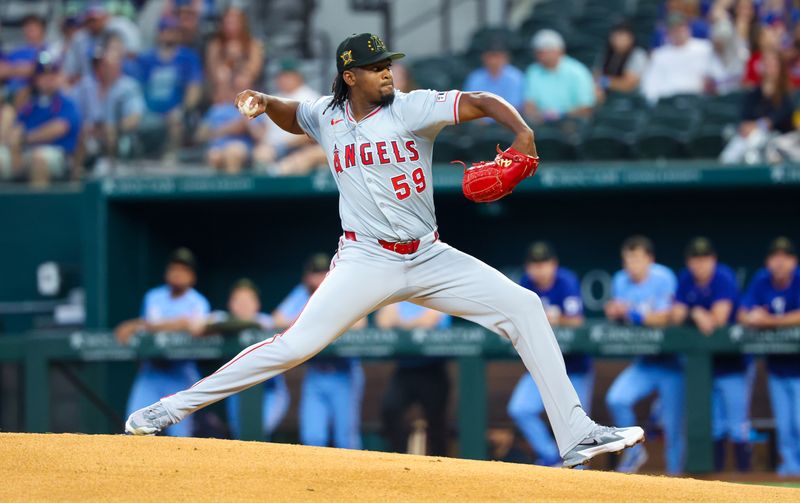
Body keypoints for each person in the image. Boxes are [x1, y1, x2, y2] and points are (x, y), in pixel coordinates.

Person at [126, 32, 644, 470]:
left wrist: (523, 133)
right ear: (350, 76)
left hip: (429, 255)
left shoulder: (414, 107)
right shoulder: (327, 114)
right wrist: (264, 104)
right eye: (376, 68)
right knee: (294, 345)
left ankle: (575, 436)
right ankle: (168, 410)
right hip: (365, 260)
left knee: (524, 307)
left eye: (388, 65)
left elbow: (482, 100)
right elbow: (294, 114)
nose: (387, 74)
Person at [507, 242, 592, 467]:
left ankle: (580, 471)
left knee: (575, 423)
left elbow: (576, 321)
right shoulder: (525, 284)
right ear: (528, 267)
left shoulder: (566, 281)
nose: (540, 269)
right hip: (543, 366)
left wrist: (556, 319)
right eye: (535, 264)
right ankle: (551, 456)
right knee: (520, 408)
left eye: (544, 263)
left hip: (575, 368)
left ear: (553, 264)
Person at [670, 237, 751, 472]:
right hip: (702, 371)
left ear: (713, 260)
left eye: (705, 259)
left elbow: (718, 319)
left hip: (732, 365)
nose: (700, 264)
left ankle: (748, 482)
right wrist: (695, 311)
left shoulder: (723, 277)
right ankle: (715, 486)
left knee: (738, 427)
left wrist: (692, 311)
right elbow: (674, 315)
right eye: (695, 259)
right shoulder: (685, 279)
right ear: (689, 262)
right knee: (714, 427)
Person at [604, 236, 683, 475]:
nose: (632, 265)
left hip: (673, 363)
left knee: (674, 426)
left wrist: (633, 315)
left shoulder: (664, 277)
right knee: (616, 399)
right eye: (628, 259)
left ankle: (676, 477)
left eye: (638, 259)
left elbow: (664, 318)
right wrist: (616, 313)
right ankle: (634, 450)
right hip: (645, 363)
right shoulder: (620, 280)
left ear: (650, 259)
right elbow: (617, 315)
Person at [274, 254, 366, 449]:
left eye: (324, 272)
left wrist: (320, 323)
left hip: (344, 373)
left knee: (346, 440)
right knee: (312, 438)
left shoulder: (342, 291)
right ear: (307, 277)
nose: (320, 278)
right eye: (315, 273)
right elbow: (277, 319)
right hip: (316, 373)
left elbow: (360, 324)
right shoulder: (302, 293)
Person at [115, 248, 210, 437]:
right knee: (132, 430)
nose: (177, 273)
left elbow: (194, 328)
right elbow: (146, 331)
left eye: (183, 270)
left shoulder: (198, 302)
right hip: (151, 373)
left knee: (181, 438)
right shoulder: (153, 297)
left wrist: (144, 325)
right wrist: (174, 323)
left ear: (192, 276)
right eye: (174, 268)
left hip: (181, 374)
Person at [738, 237, 800, 477]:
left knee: (798, 422)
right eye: (775, 256)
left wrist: (769, 321)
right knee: (785, 426)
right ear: (768, 261)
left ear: (793, 261)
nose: (780, 262)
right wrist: (754, 318)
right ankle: (791, 470)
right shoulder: (762, 280)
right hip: (776, 368)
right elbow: (743, 313)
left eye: (785, 256)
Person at [201, 279, 289, 440]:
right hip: (238, 389)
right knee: (240, 435)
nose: (243, 305)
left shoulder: (266, 321)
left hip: (270, 389)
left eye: (248, 300)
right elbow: (199, 325)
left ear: (257, 304)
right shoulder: (221, 318)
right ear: (230, 303)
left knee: (259, 431)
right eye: (239, 300)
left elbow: (274, 325)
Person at [376, 302, 451, 456]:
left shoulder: (435, 294)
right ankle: (398, 458)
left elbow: (429, 322)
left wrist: (400, 325)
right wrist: (413, 326)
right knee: (390, 409)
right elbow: (383, 322)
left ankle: (441, 464)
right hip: (404, 369)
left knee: (436, 421)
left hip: (432, 369)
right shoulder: (400, 296)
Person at [0, 54, 81, 187]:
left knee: (39, 158)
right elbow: (17, 127)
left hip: (60, 154)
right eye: (43, 76)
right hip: (25, 153)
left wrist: (26, 138)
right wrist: (12, 138)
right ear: (36, 79)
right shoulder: (30, 105)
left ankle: (37, 207)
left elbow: (59, 128)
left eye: (52, 75)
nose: (48, 79)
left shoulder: (66, 102)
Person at [70, 35, 145, 171]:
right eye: (96, 64)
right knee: (83, 133)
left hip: (119, 138)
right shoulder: (86, 86)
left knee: (110, 133)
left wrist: (112, 127)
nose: (99, 68)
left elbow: (135, 117)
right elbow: (71, 110)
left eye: (104, 64)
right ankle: (75, 179)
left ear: (117, 66)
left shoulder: (128, 86)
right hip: (88, 137)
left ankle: (112, 171)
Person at [136, 16, 202, 162]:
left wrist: (183, 109)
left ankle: (171, 158)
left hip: (175, 112)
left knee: (175, 121)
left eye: (172, 31)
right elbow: (138, 88)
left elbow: (194, 88)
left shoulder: (187, 58)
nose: (168, 34)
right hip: (148, 111)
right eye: (165, 30)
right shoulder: (147, 59)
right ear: (159, 33)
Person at [252, 59, 326, 175]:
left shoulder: (310, 97)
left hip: (299, 148)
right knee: (260, 154)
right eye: (281, 76)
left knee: (291, 164)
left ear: (298, 77)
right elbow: (266, 131)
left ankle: (276, 175)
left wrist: (284, 146)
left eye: (287, 76)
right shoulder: (272, 98)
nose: (283, 80)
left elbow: (312, 131)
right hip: (273, 148)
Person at [719, 50, 794, 164]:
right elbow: (745, 116)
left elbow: (777, 118)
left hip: (778, 139)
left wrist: (756, 126)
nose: (768, 67)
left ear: (779, 68)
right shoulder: (753, 94)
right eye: (766, 63)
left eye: (772, 64)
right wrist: (746, 126)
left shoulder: (786, 94)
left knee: (754, 140)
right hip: (749, 136)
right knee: (736, 146)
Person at [195, 67, 262, 174]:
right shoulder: (217, 109)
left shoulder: (257, 109)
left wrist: (247, 124)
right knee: (214, 155)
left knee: (232, 152)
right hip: (218, 147)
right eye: (239, 88)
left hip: (242, 147)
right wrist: (228, 129)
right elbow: (200, 136)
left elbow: (261, 137)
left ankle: (234, 189)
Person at [523, 29, 595, 123]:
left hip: (572, 124)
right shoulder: (533, 71)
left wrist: (560, 115)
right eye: (539, 52)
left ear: (559, 51)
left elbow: (586, 108)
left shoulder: (577, 71)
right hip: (541, 124)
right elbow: (529, 105)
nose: (542, 56)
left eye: (545, 52)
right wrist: (539, 116)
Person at [641, 13, 713, 104]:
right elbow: (649, 85)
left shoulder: (705, 48)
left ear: (688, 28)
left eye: (680, 28)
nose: (677, 32)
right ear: (668, 33)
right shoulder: (659, 55)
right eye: (673, 29)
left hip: (696, 100)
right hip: (668, 103)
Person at [205, 6, 264, 95]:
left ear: (242, 24)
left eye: (234, 23)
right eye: (227, 23)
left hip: (246, 85)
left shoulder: (253, 44)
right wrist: (228, 61)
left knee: (242, 80)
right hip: (221, 88)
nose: (230, 27)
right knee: (222, 75)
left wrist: (239, 61)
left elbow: (254, 70)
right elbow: (213, 71)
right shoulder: (215, 45)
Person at [463, 38, 524, 112]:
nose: (494, 61)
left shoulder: (515, 77)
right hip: (481, 120)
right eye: (491, 56)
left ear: (506, 57)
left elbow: (514, 107)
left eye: (498, 56)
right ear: (483, 57)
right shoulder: (475, 78)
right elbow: (469, 106)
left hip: (507, 121)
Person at [594, 22, 649, 99]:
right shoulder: (607, 53)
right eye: (615, 36)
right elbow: (596, 75)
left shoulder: (637, 55)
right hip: (608, 96)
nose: (617, 40)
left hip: (632, 99)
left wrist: (604, 81)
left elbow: (628, 85)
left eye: (621, 36)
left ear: (631, 38)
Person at [0, 14, 49, 99]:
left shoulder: (49, 50)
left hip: (34, 94)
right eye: (26, 28)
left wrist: (12, 69)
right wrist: (24, 69)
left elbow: (43, 70)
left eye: (32, 28)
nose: (28, 31)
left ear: (42, 29)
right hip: (9, 92)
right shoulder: (16, 52)